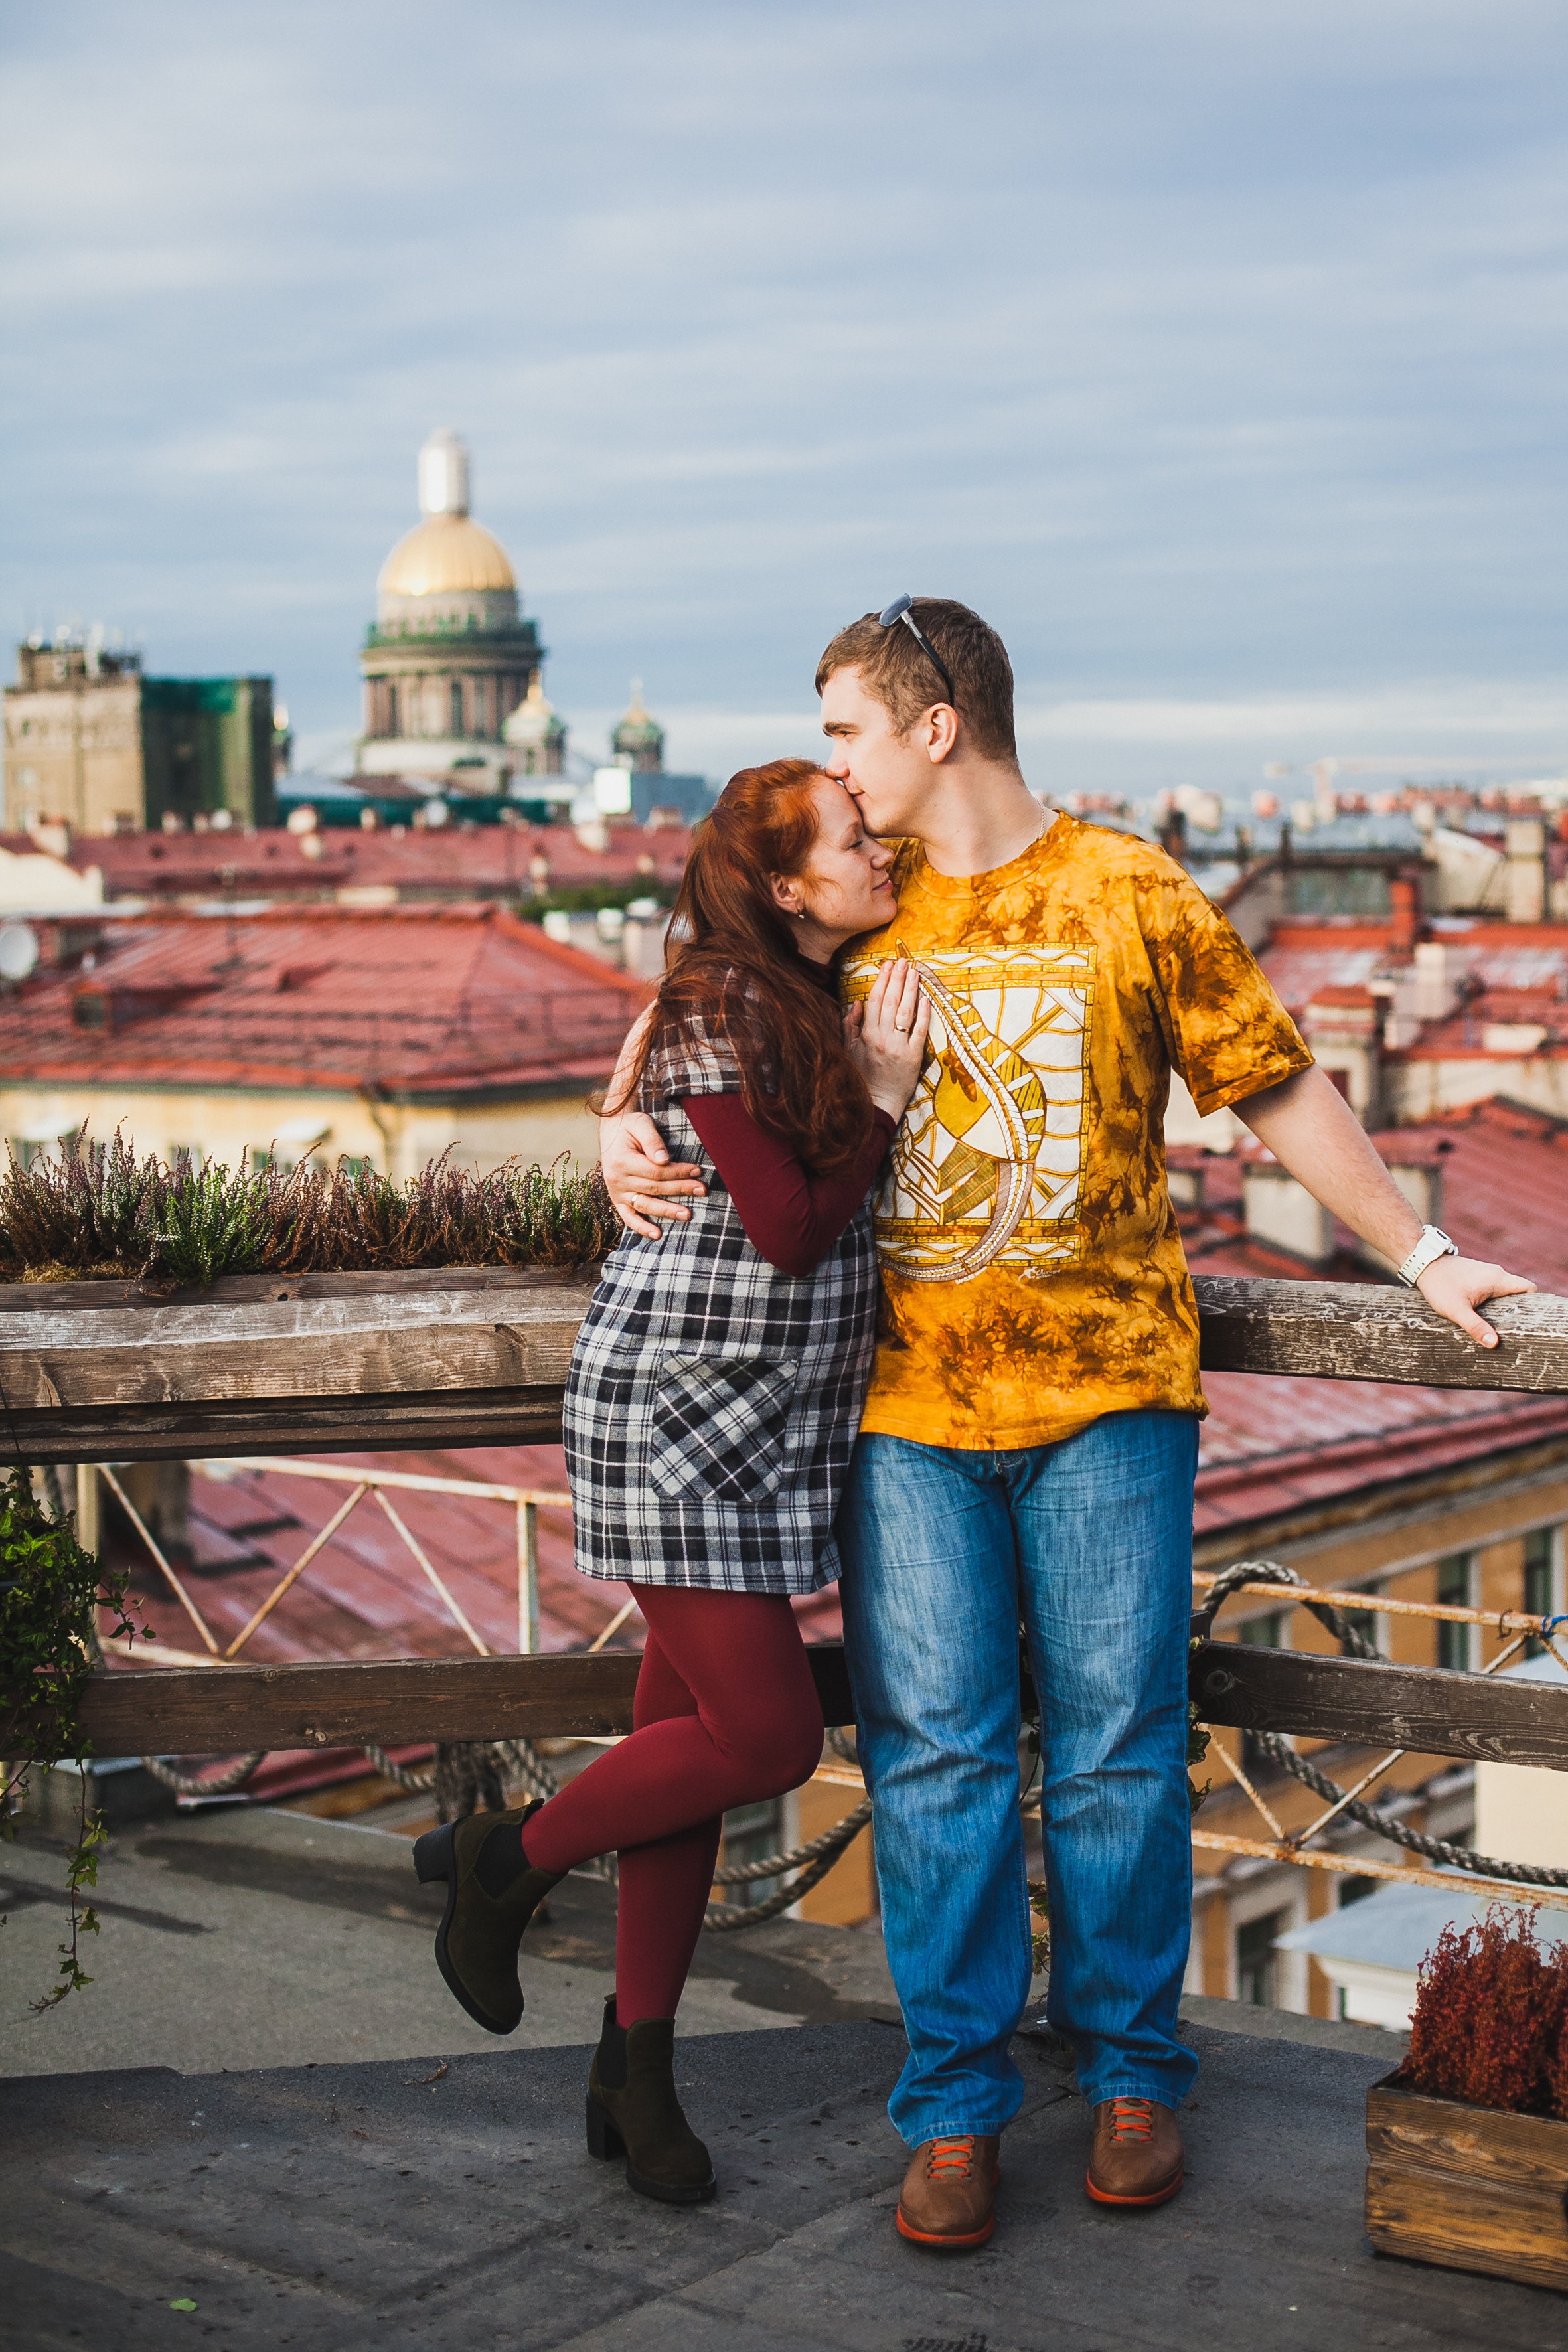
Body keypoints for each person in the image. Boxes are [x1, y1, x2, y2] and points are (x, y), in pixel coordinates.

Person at [597, 600, 1535, 2250]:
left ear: (936, 722)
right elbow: (684, 1017)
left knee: (1114, 1754)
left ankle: (1130, 2075)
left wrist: (1420, 1247)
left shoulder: (1128, 890)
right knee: (933, 1760)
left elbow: (1274, 1080)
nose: (836, 767)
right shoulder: (848, 909)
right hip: (896, 1410)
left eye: (846, 733)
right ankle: (953, 2109)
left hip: (1108, 1398)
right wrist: (602, 1136)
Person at [412, 756, 929, 2209]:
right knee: (763, 1737)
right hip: (676, 1413)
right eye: (848, 837)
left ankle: (632, 2070)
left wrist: (608, 1100)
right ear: (783, 885)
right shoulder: (728, 1000)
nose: (874, 846)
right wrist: (882, 1096)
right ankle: (496, 1858)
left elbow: (677, 1070)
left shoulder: (771, 988)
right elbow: (785, 1224)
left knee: (684, 1753)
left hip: (758, 1420)